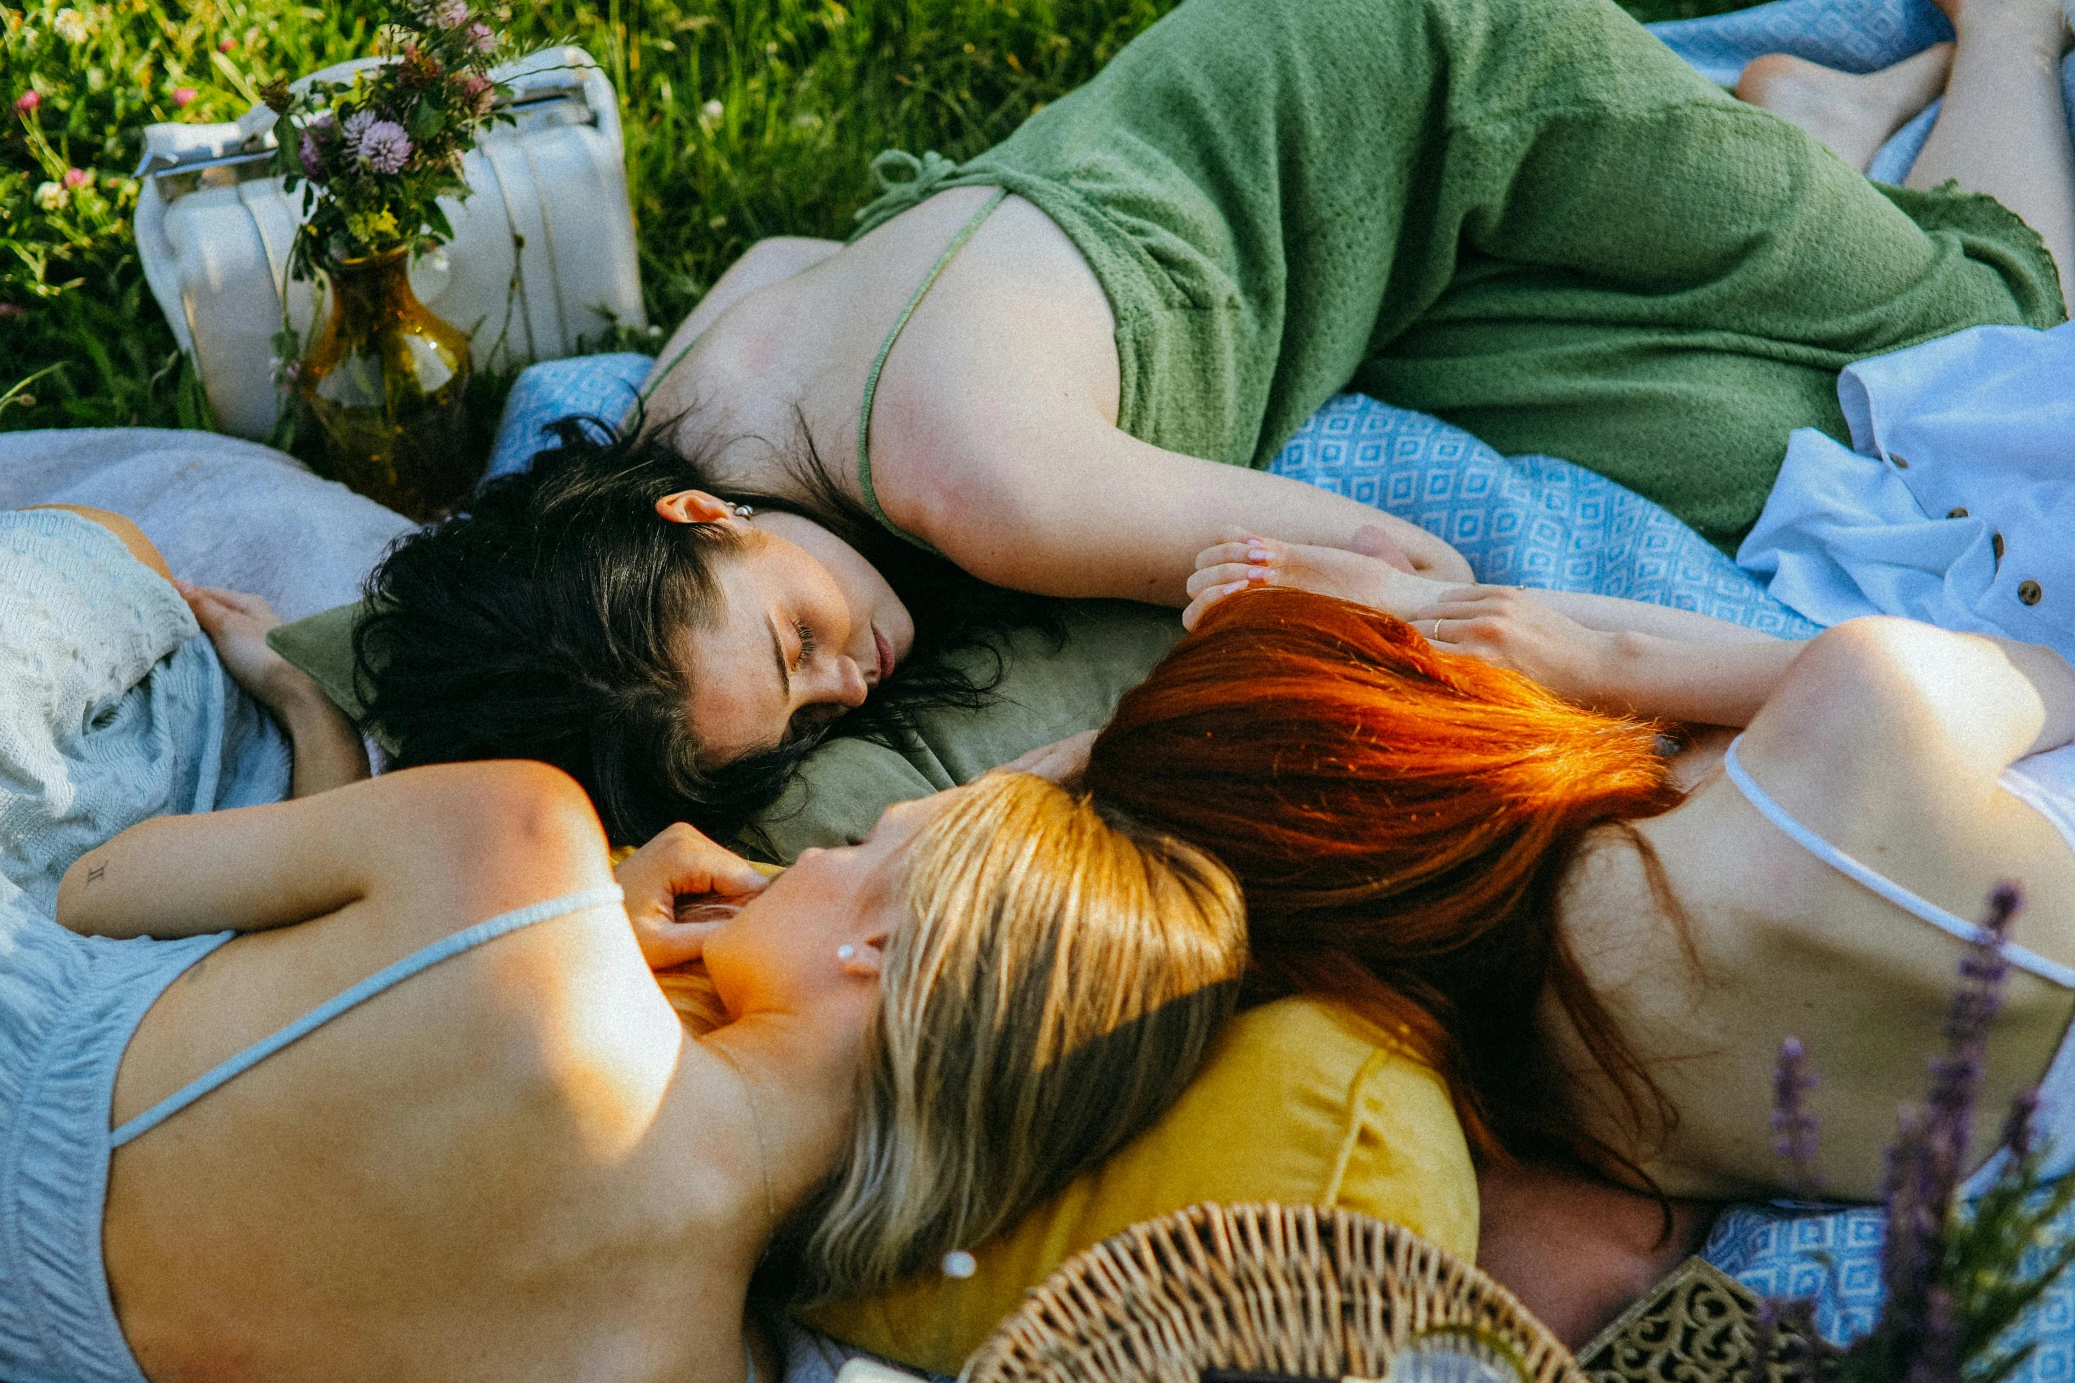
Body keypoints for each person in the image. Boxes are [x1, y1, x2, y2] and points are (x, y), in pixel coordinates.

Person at [0, 505, 1246, 1383]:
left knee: (98, 551)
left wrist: (323, 719)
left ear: (879, 953)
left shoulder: (517, 844)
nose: (812, 851)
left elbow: (100, 894)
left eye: (859, 849)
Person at [350, 0, 2073, 840]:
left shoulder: (994, 490)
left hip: (1436, 82)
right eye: (795, 717)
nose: (847, 678)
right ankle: (1815, 128)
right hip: (1365, 275)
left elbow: (1404, 560)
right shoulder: (692, 396)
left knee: (1983, 333)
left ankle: (2005, 34)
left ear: (697, 522)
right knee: (1765, 441)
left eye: (795, 640)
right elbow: (810, 248)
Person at [1080, 578, 2075, 1337]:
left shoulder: (1515, 1101)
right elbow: (2055, 681)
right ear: (1431, 718)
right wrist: (1608, 662)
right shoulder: (1860, 701)